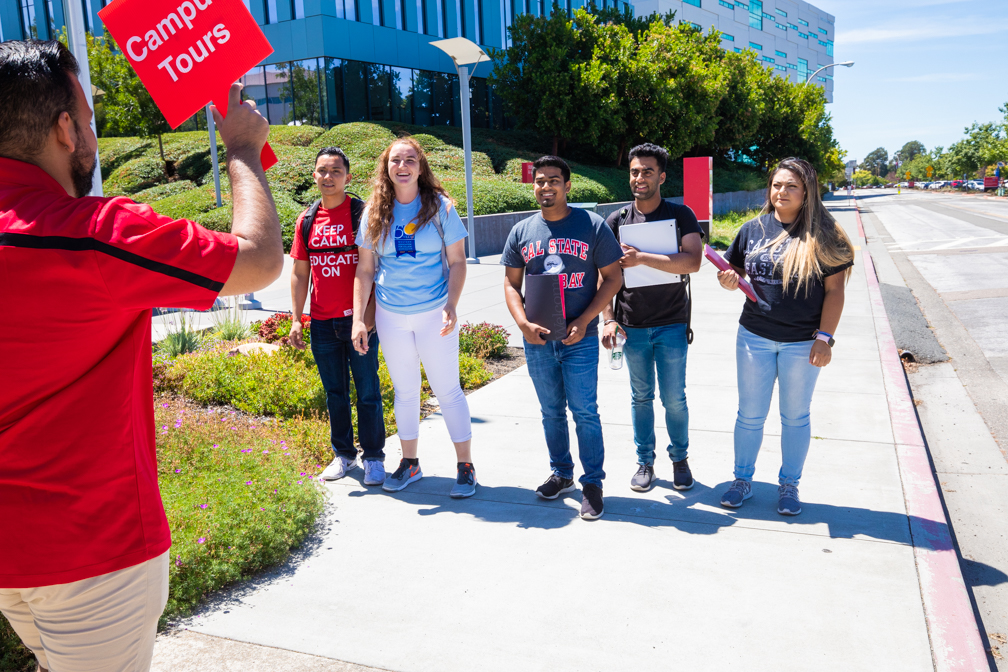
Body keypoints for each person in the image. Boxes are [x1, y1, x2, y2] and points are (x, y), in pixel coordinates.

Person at [0, 41, 282, 672]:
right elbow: (260, 259)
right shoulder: (94, 236)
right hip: (94, 554)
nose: (94, 132)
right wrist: (239, 150)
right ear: (65, 130)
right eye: (91, 118)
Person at [716, 157, 854, 516]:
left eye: (791, 185)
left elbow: (836, 291)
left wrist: (825, 338)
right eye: (777, 185)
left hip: (803, 343)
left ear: (807, 191)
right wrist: (727, 280)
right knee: (749, 414)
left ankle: (789, 486)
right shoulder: (751, 229)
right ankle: (742, 480)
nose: (782, 192)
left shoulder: (826, 234)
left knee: (794, 416)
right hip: (754, 337)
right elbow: (735, 272)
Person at [351, 137, 476, 498]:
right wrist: (360, 318)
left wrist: (451, 304)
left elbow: (457, 262)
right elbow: (365, 270)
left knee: (447, 389)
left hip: (433, 313)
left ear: (421, 168)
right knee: (405, 392)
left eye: (409, 160)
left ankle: (465, 467)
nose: (402, 166)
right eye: (395, 161)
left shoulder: (440, 207)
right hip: (391, 316)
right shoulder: (375, 210)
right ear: (386, 169)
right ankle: (410, 463)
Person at [501, 156, 623, 520]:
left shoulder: (592, 225)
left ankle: (593, 483)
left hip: (579, 337)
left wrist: (587, 320)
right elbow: (510, 283)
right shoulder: (521, 231)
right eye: (540, 181)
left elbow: (613, 278)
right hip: (538, 339)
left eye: (554, 180)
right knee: (550, 411)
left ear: (567, 186)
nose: (546, 187)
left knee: (585, 411)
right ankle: (562, 473)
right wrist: (522, 323)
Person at [600, 143, 703, 493]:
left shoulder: (681, 216)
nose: (639, 177)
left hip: (672, 322)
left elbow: (692, 262)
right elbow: (605, 277)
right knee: (640, 397)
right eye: (634, 171)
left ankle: (680, 459)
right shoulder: (616, 220)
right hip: (632, 325)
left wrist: (643, 257)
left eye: (647, 171)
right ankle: (645, 461)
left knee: (674, 397)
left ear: (661, 176)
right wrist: (608, 319)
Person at [289, 147, 386, 486]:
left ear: (347, 176)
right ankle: (344, 454)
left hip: (358, 320)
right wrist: (296, 319)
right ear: (314, 175)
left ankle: (374, 457)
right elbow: (301, 273)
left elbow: (373, 268)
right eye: (322, 171)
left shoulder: (362, 214)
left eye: (335, 171)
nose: (328, 177)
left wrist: (368, 317)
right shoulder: (307, 219)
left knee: (368, 390)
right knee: (335, 393)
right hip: (322, 322)